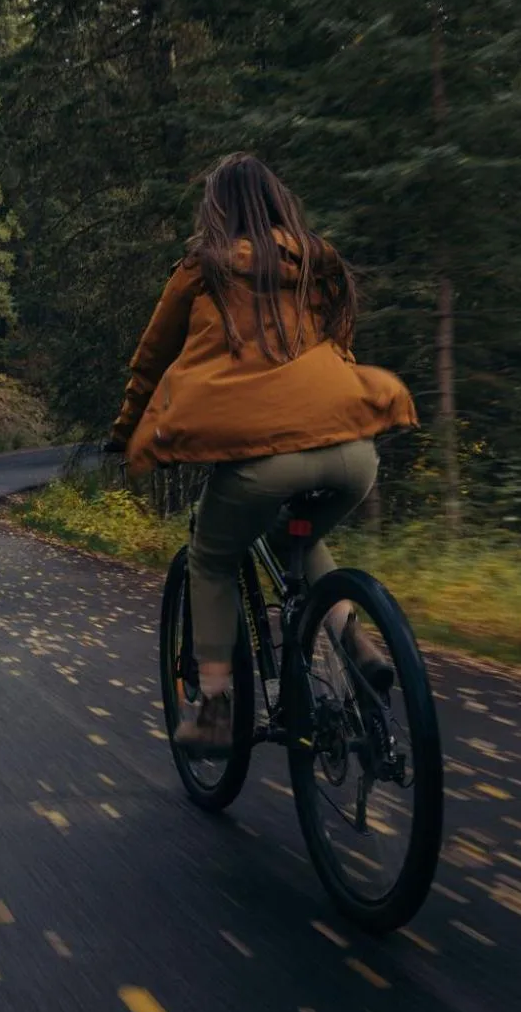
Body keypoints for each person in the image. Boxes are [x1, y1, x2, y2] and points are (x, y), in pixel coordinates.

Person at [107, 153, 418, 755]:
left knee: (212, 559)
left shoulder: (204, 269)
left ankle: (217, 708)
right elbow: (341, 353)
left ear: (216, 210)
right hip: (353, 453)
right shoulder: (317, 265)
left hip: (263, 462)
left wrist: (125, 432)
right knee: (294, 537)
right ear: (279, 203)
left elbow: (151, 362)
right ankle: (356, 642)